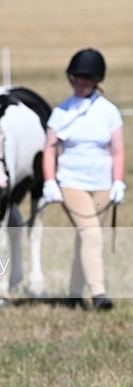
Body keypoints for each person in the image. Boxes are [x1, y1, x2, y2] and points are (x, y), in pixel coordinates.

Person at [42, 48, 126, 310]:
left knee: (85, 236)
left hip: (101, 184)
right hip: (72, 181)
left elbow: (118, 149)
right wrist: (50, 181)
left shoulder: (109, 112)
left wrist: (118, 181)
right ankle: (99, 293)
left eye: (85, 80)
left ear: (96, 80)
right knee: (91, 234)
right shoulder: (62, 112)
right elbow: (49, 148)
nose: (79, 85)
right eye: (75, 79)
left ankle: (73, 293)